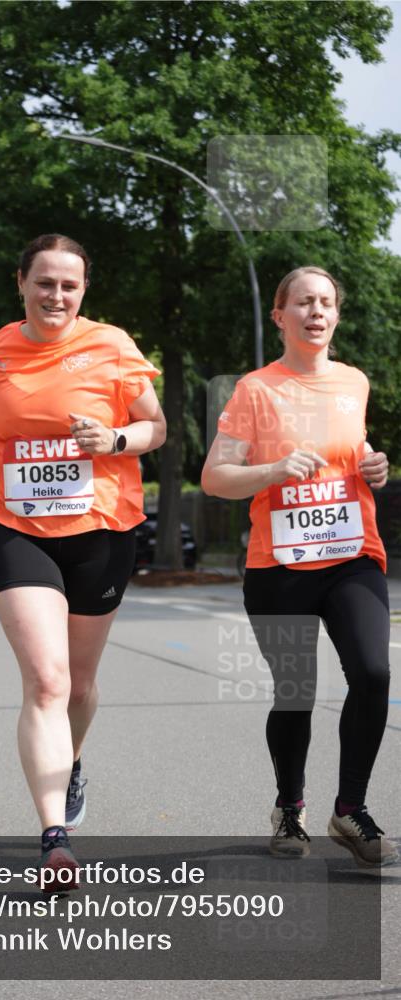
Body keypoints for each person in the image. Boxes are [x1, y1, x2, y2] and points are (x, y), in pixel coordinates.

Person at [0, 233, 166, 884]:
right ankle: (54, 840)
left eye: (69, 285)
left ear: (83, 291)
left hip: (100, 527)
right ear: (20, 282)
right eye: (44, 282)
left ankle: (68, 762)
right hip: (13, 525)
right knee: (45, 681)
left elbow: (155, 426)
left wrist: (115, 437)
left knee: (77, 684)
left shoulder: (113, 345)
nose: (56, 295)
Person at [201, 266, 396, 868]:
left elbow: (354, 449)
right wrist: (272, 470)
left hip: (350, 555)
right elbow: (214, 478)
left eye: (327, 302)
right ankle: (290, 805)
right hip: (278, 564)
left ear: (336, 315)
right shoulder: (255, 390)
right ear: (279, 315)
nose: (317, 311)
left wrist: (375, 465)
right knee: (297, 691)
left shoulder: (353, 382)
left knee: (372, 672)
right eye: (304, 302)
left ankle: (350, 809)